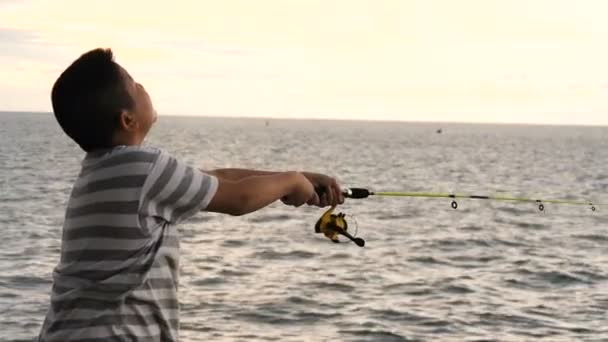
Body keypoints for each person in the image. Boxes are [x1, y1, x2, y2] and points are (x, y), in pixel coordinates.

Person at [37, 48, 344, 341]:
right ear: (127, 120)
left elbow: (219, 179)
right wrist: (290, 182)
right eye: (134, 84)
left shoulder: (107, 171)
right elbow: (237, 199)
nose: (143, 86)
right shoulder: (145, 169)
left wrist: (299, 177)